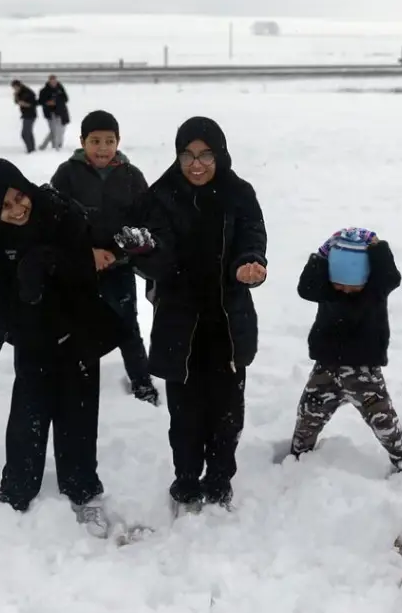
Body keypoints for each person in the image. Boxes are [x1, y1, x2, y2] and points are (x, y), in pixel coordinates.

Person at [0, 159, 124, 537]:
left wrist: (48, 262)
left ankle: (83, 491)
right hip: (33, 340)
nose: (18, 209)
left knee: (78, 418)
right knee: (27, 419)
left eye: (19, 197)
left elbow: (90, 267)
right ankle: (17, 491)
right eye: (5, 207)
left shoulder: (58, 212)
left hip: (77, 332)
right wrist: (21, 290)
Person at [129, 117, 267, 513]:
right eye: (187, 155)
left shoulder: (239, 193)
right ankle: (187, 482)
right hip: (179, 323)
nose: (196, 164)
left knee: (227, 413)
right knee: (184, 414)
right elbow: (160, 259)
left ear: (219, 155)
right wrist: (145, 251)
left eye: (205, 154)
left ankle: (220, 480)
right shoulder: (163, 195)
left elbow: (253, 236)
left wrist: (250, 262)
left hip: (227, 321)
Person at [50, 110, 159, 405]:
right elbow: (54, 221)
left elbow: (144, 223)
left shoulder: (131, 176)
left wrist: (115, 252)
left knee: (127, 325)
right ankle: (73, 380)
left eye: (109, 141)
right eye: (95, 141)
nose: (102, 148)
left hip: (118, 267)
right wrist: (87, 253)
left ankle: (141, 381)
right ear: (82, 141)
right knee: (75, 326)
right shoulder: (67, 174)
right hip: (79, 268)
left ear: (118, 141)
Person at [287, 227, 402, 473]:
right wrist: (321, 255)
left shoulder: (375, 290)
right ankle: (298, 456)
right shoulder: (326, 289)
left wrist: (378, 247)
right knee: (309, 413)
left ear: (366, 277)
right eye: (339, 284)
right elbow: (306, 288)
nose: (345, 290)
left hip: (363, 372)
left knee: (382, 419)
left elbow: (391, 276)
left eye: (352, 286)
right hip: (326, 367)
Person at [37, 75, 70, 151]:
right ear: (49, 81)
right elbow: (40, 101)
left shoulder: (60, 89)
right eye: (51, 80)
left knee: (59, 130)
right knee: (54, 130)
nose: (53, 82)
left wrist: (56, 102)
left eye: (54, 80)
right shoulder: (44, 90)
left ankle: (47, 145)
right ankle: (55, 146)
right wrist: (47, 103)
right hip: (50, 113)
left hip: (60, 112)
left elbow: (66, 99)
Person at [11, 79, 38, 153]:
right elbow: (17, 102)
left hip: (30, 115)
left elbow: (34, 103)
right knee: (28, 133)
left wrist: (26, 104)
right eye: (14, 88)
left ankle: (30, 150)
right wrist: (16, 95)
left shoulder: (27, 92)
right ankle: (32, 149)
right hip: (25, 115)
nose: (15, 89)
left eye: (16, 87)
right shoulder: (19, 92)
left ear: (19, 86)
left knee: (25, 134)